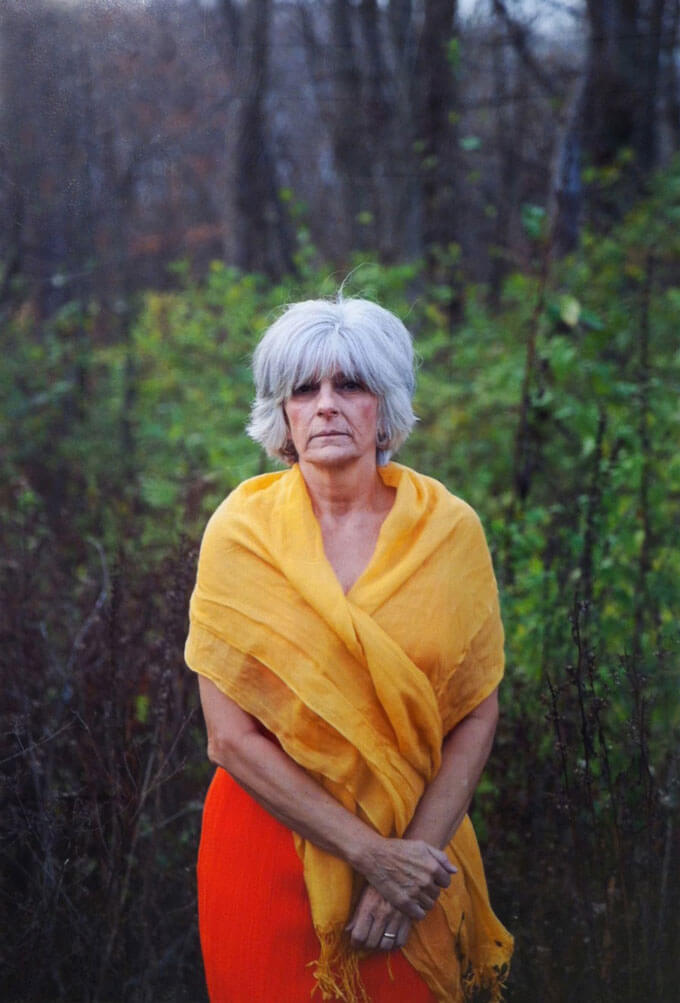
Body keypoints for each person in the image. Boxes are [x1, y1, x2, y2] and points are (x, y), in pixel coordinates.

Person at [185, 297, 513, 1003]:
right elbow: (229, 737)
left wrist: (407, 871)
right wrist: (370, 856)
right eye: (305, 389)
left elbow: (476, 713)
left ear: (385, 407)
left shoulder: (449, 531)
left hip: (417, 844)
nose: (327, 405)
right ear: (283, 414)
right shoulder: (240, 532)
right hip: (264, 845)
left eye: (351, 385)